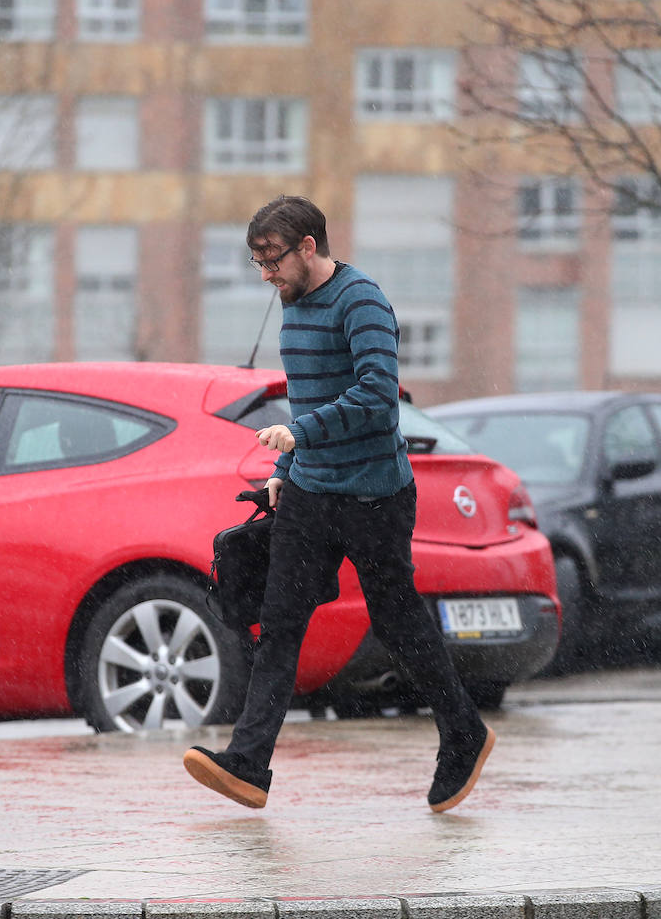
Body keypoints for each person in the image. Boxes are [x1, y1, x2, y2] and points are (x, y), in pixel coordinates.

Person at [183, 195, 494, 813]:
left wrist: (302, 436)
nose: (266, 274)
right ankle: (248, 764)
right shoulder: (292, 307)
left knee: (398, 621)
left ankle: (464, 732)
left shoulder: (362, 300)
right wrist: (285, 467)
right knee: (280, 624)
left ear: (308, 247)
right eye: (257, 263)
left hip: (375, 495)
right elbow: (305, 400)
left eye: (273, 260)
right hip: (310, 493)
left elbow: (380, 395)